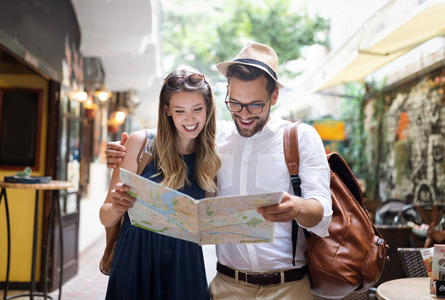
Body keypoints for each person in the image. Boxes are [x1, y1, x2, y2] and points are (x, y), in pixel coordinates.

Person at [105, 42, 332, 300]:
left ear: (274, 97)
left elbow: (323, 214)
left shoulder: (300, 137)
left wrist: (298, 208)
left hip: (288, 287)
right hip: (227, 287)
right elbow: (173, 137)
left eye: (255, 105)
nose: (244, 115)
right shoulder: (213, 138)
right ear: (226, 92)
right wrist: (119, 151)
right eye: (235, 103)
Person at [100, 68, 221, 300]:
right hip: (135, 258)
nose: (190, 119)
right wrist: (117, 206)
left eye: (198, 109)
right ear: (167, 110)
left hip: (184, 264)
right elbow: (105, 217)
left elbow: (205, 228)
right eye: (179, 111)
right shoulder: (140, 144)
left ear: (208, 109)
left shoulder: (210, 158)